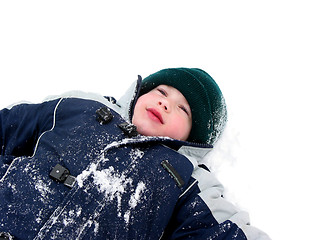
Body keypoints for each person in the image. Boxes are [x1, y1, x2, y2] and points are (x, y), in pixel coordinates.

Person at [0, 68, 270, 239]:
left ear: (193, 138)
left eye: (182, 109)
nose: (165, 103)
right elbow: (12, 125)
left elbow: (220, 230)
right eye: (161, 91)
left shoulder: (185, 177)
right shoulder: (82, 107)